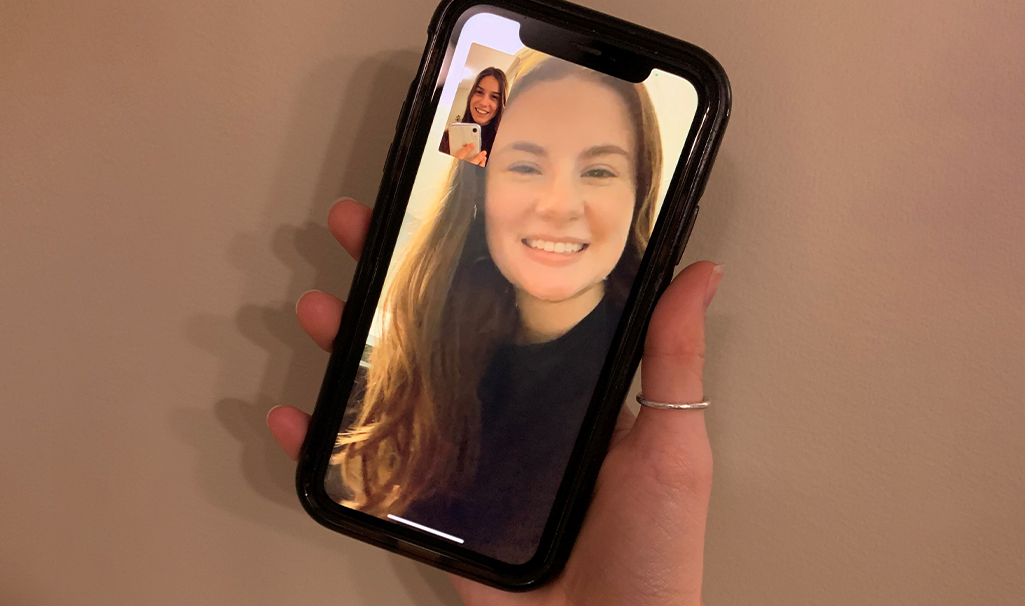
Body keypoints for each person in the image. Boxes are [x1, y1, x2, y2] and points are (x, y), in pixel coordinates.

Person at [439, 66, 508, 166]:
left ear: (501, 104)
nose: (484, 103)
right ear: (471, 96)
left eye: (494, 97)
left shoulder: (503, 150)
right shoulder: (444, 139)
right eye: (479, 92)